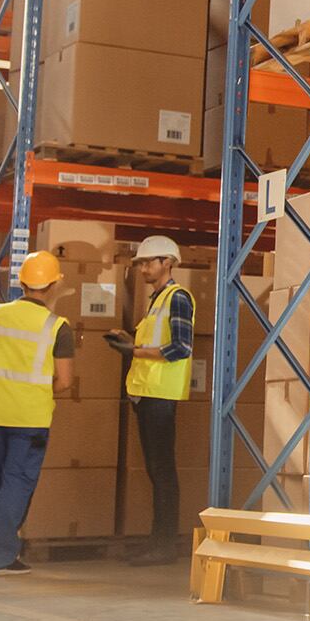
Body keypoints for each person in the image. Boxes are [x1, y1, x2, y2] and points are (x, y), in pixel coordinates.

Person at [0, 251, 75, 576]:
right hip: (31, 420)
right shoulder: (57, 327)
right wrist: (34, 390)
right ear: (53, 285)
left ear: (22, 282)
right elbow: (64, 381)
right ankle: (1, 555)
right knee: (16, 484)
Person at [107, 235, 195, 567]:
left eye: (149, 262)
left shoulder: (178, 298)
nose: (143, 268)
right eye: (142, 263)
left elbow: (181, 348)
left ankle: (164, 546)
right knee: (156, 471)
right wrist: (131, 342)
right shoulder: (157, 300)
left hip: (161, 395)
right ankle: (158, 542)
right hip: (147, 394)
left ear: (168, 262)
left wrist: (135, 351)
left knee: (162, 471)